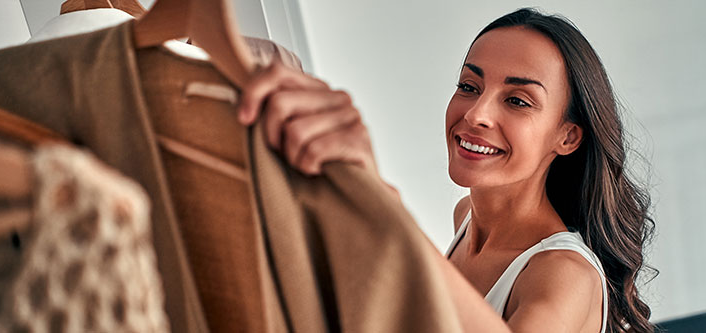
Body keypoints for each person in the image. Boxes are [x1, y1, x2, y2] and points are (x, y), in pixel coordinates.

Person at [237, 8, 655, 333]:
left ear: (567, 137)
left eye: (518, 100)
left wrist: (384, 205)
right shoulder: (466, 218)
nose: (476, 114)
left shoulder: (563, 274)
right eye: (469, 87)